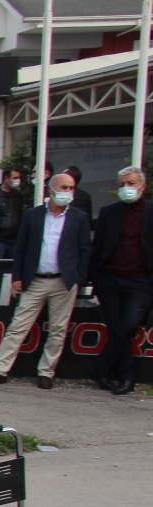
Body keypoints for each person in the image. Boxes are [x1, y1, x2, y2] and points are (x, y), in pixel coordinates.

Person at [0, 172, 92, 389]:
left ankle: (46, 372)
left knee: (58, 330)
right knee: (18, 326)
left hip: (64, 281)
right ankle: (0, 370)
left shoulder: (79, 217)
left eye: (71, 188)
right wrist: (18, 277)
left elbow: (84, 250)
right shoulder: (33, 215)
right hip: (35, 281)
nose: (69, 192)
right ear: (51, 190)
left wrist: (78, 277)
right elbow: (21, 248)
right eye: (64, 187)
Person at [87, 165, 153, 395]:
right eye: (123, 184)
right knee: (117, 328)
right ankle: (126, 375)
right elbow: (98, 248)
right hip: (110, 280)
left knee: (127, 326)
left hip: (141, 281)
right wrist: (93, 277)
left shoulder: (151, 212)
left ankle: (100, 367)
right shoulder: (109, 212)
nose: (127, 188)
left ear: (143, 186)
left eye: (131, 183)